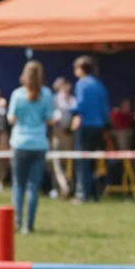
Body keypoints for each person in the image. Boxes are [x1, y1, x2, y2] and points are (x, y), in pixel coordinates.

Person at [8, 61, 56, 234]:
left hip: (20, 143)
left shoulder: (17, 94)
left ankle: (18, 222)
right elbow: (50, 119)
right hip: (39, 144)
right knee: (33, 186)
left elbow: (11, 119)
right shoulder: (47, 94)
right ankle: (29, 225)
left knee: (18, 185)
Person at [71, 55, 110, 202]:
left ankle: (83, 194)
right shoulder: (99, 85)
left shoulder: (81, 84)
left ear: (81, 69)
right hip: (98, 127)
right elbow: (105, 108)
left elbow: (79, 104)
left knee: (82, 161)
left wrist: (73, 114)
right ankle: (95, 194)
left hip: (85, 126)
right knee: (94, 161)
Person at [50, 78, 76, 198]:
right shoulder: (54, 100)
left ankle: (69, 187)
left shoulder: (73, 100)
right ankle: (62, 187)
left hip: (70, 135)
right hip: (57, 134)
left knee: (68, 163)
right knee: (56, 163)